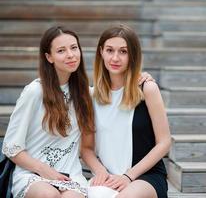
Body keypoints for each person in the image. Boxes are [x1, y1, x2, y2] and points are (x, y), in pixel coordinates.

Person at [1, 26, 95, 198]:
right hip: (33, 175)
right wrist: (43, 170)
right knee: (48, 195)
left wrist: (143, 80)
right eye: (61, 50)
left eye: (74, 48)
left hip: (71, 176)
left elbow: (118, 92)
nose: (71, 55)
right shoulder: (35, 92)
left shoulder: (86, 94)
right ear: (49, 57)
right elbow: (10, 147)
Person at [81, 24, 172, 198]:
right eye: (110, 50)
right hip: (109, 176)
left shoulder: (147, 88)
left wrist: (128, 176)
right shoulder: (91, 96)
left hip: (145, 177)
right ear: (101, 52)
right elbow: (86, 148)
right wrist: (100, 172)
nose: (115, 58)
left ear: (133, 55)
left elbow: (164, 142)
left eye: (123, 51)